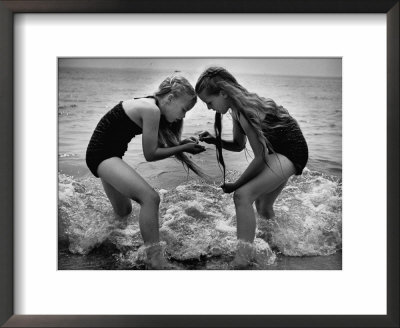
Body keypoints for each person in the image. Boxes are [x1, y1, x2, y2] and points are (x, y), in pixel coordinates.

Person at [86, 75, 206, 269]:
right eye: (184, 109)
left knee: (124, 211)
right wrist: (181, 149)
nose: (183, 116)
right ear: (170, 98)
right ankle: (155, 258)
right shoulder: (151, 110)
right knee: (151, 198)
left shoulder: (151, 105)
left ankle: (99, 240)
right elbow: (150, 154)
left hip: (105, 155)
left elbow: (158, 147)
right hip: (103, 155)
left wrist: (181, 144)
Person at [195, 67, 308, 268]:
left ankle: (242, 258)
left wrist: (237, 184)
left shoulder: (244, 111)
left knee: (242, 195)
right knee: (263, 206)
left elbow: (260, 157)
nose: (209, 108)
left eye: (209, 103)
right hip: (279, 151)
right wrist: (215, 141)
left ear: (223, 93)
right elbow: (239, 145)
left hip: (291, 151)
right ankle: (278, 243)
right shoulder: (237, 109)